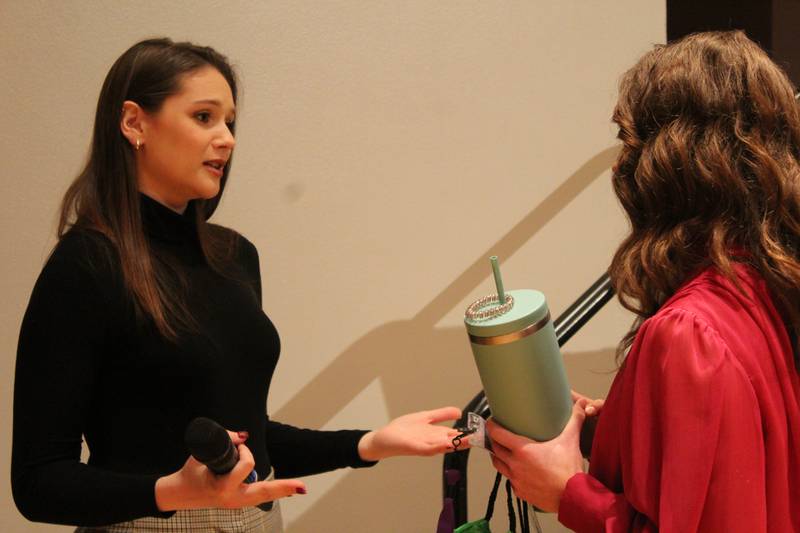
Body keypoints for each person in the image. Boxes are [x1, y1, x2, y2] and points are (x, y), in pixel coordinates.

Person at [11, 38, 464, 532]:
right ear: (134, 123)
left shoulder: (234, 257)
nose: (226, 138)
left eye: (230, 122)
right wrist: (170, 492)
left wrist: (368, 443)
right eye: (204, 117)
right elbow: (38, 481)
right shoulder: (85, 265)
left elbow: (249, 442)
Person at [488, 30, 800, 532]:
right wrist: (613, 425)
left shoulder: (690, 334)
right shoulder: (773, 291)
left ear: (665, 161)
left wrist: (568, 493)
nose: (620, 164)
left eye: (629, 142)